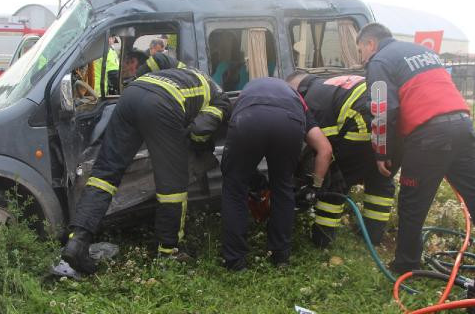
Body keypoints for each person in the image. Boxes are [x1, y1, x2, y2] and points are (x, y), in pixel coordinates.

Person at [356, 22, 475, 274]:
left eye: (360, 50)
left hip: (429, 135)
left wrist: (382, 152)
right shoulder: (423, 52)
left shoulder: (379, 61)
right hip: (463, 125)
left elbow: (382, 108)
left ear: (370, 44)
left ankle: (406, 267)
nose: (361, 58)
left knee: (412, 203)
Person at [62, 63, 230, 274]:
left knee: (105, 174)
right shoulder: (220, 98)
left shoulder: (187, 71)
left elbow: (157, 58)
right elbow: (200, 129)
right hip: (162, 104)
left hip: (132, 94)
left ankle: (77, 241)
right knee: (173, 188)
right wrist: (196, 144)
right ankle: (169, 252)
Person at [221, 77, 332, 270]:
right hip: (288, 123)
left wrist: (251, 178)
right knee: (282, 187)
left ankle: (235, 260)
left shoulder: (247, 90)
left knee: (234, 188)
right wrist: (315, 187)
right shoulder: (296, 98)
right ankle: (280, 256)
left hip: (248, 119)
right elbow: (325, 150)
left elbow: (232, 149)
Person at [286, 71, 396, 248]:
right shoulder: (331, 83)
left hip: (362, 126)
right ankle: (372, 236)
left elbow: (325, 150)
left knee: (335, 180)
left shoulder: (313, 100)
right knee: (380, 180)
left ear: (298, 90)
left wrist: (315, 183)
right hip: (390, 126)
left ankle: (322, 239)